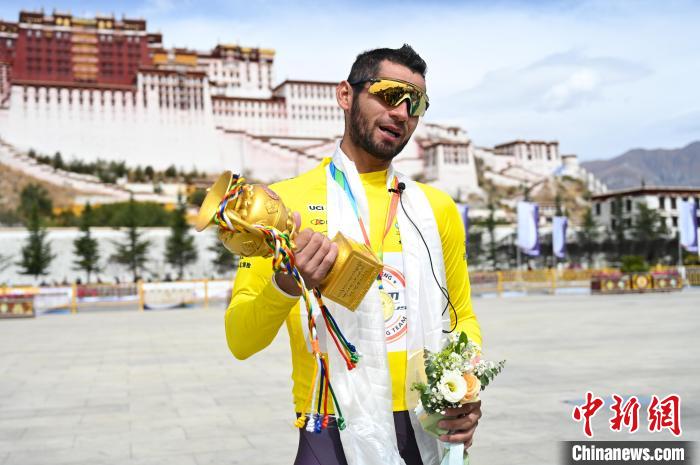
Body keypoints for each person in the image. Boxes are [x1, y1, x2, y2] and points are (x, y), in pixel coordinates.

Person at [226, 44, 482, 465]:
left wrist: (465, 388)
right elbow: (240, 339)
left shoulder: (436, 208)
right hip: (331, 425)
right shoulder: (280, 206)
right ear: (345, 95)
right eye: (389, 94)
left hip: (426, 422)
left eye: (416, 103)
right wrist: (286, 285)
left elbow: (461, 318)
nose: (402, 112)